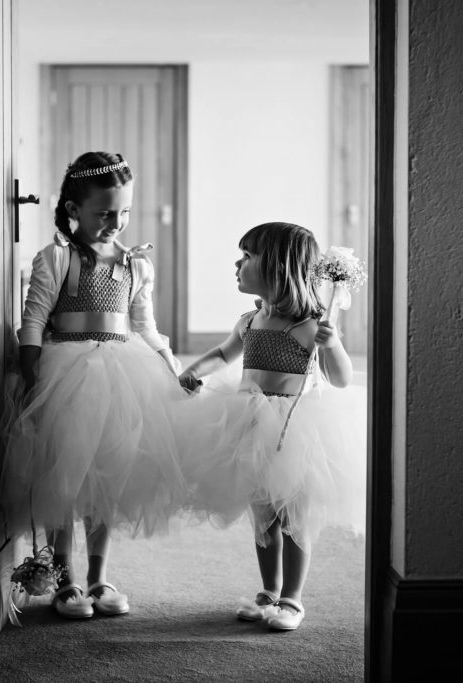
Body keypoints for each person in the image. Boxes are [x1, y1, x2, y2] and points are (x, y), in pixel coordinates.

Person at [0, 151, 185, 620]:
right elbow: (35, 318)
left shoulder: (135, 265)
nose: (116, 222)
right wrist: (31, 373)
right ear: (72, 210)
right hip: (69, 376)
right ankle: (66, 576)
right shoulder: (57, 258)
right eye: (105, 213)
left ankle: (100, 575)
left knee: (109, 475)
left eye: (123, 212)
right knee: (67, 475)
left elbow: (145, 325)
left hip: (123, 378)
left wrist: (168, 363)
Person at [177, 222, 366, 631]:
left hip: (293, 428)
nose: (237, 263)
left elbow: (341, 378)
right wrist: (196, 371)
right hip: (248, 423)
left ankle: (292, 598)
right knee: (261, 513)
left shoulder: (308, 325)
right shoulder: (250, 321)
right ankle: (268, 589)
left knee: (294, 515)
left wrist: (331, 344)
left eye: (247, 257)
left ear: (279, 267)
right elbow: (222, 353)